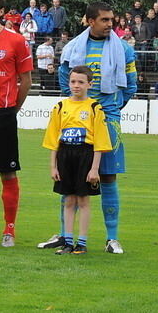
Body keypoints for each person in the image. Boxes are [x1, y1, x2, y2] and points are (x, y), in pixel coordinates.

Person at [43, 2, 137, 254]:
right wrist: (78, 108)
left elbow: (130, 86)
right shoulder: (72, 48)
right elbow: (65, 81)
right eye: (105, 20)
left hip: (107, 118)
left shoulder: (124, 49)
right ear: (90, 20)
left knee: (107, 176)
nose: (110, 25)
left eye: (112, 20)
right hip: (75, 121)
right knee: (70, 177)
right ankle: (66, 236)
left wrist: (110, 108)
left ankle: (112, 238)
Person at [42, 66, 112, 255]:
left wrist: (94, 169)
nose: (76, 85)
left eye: (81, 82)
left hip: (85, 155)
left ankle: (81, 243)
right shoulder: (60, 107)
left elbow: (99, 141)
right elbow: (53, 139)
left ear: (90, 84)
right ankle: (67, 241)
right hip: (65, 155)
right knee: (68, 200)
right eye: (73, 81)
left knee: (83, 200)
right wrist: (53, 166)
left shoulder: (94, 107)